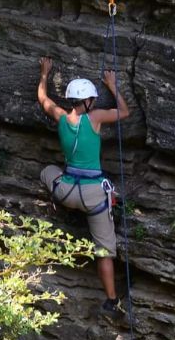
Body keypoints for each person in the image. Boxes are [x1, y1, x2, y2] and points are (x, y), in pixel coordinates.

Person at [37, 57, 130, 315]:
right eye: (93, 99)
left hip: (66, 191)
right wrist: (112, 85)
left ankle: (58, 206)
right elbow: (124, 112)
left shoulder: (61, 117)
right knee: (104, 251)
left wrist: (45, 74)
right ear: (88, 101)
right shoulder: (96, 117)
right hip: (93, 197)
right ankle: (112, 301)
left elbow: (43, 99)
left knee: (47, 171)